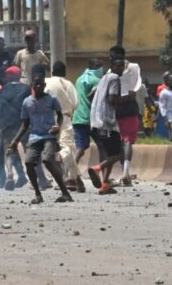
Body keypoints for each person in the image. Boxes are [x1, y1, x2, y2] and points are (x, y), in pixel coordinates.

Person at [9, 65, 72, 204]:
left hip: (49, 136)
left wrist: (58, 126)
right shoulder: (27, 102)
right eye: (35, 84)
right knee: (29, 163)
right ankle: (38, 194)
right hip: (34, 137)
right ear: (32, 85)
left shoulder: (51, 99)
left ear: (44, 85)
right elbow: (25, 124)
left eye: (40, 84)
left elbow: (60, 116)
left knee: (47, 160)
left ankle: (65, 192)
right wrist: (15, 141)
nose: (38, 86)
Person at [87, 57, 127, 195]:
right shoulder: (115, 78)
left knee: (111, 154)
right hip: (107, 122)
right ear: (112, 66)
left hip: (96, 121)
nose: (121, 69)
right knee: (119, 154)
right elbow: (112, 98)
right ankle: (97, 169)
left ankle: (104, 185)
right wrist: (129, 98)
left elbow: (90, 95)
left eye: (122, 66)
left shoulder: (103, 78)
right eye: (118, 66)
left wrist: (98, 106)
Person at [44, 61, 84, 192]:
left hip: (49, 119)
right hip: (65, 118)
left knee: (56, 149)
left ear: (52, 72)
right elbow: (76, 104)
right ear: (64, 72)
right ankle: (73, 178)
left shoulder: (47, 82)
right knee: (67, 148)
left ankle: (67, 178)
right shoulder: (68, 84)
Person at [108, 47, 141, 186]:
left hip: (118, 107)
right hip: (129, 106)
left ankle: (124, 173)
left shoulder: (111, 71)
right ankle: (125, 172)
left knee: (122, 142)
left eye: (111, 56)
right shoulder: (134, 67)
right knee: (128, 141)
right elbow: (137, 85)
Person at [0, 66, 30, 190]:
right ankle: (30, 176)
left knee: (2, 151)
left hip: (8, 126)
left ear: (9, 76)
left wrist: (0, 123)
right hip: (25, 125)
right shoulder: (27, 89)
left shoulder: (2, 89)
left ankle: (6, 176)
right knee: (29, 151)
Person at [73, 58, 104, 166]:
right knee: (102, 146)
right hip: (91, 118)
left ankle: (69, 173)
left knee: (80, 148)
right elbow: (95, 99)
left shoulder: (79, 79)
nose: (101, 69)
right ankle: (102, 173)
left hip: (77, 117)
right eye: (99, 66)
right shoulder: (97, 81)